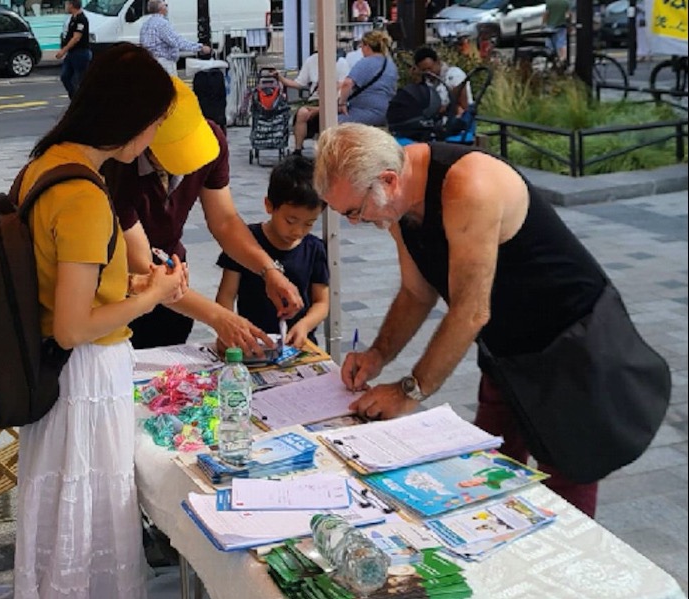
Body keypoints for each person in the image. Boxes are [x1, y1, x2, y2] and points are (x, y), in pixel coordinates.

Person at [313, 123, 618, 518]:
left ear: (387, 179)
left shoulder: (467, 186)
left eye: (354, 211)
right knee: (488, 468)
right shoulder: (397, 200)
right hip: (507, 348)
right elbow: (416, 292)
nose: (355, 222)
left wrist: (410, 391)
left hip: (570, 344)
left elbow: (471, 310)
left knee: (564, 485)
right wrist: (377, 356)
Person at [12, 43, 187, 597]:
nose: (155, 136)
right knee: (87, 517)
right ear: (130, 119)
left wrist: (130, 285)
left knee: (66, 511)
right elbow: (72, 325)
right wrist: (152, 295)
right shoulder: (83, 194)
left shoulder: (48, 161)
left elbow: (66, 284)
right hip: (82, 376)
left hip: (58, 376)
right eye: (156, 123)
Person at [101, 77, 304, 353]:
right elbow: (142, 265)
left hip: (174, 282)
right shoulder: (117, 166)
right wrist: (219, 317)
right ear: (145, 139)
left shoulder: (212, 141)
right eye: (173, 155)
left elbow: (225, 221)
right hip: (119, 294)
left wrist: (269, 270)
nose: (184, 166)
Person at [216, 155, 330, 349]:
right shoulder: (245, 243)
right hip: (252, 342)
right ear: (269, 205)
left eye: (309, 223)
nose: (298, 231)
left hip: (298, 344)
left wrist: (304, 325)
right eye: (291, 221)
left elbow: (322, 302)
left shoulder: (314, 249)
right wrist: (227, 332)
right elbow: (226, 296)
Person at [272, 52, 350, 155]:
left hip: (334, 100)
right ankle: (298, 149)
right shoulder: (311, 60)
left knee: (324, 111)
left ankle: (328, 150)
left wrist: (328, 88)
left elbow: (342, 85)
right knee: (302, 113)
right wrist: (280, 78)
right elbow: (299, 83)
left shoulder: (341, 63)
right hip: (315, 100)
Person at [337, 29, 398, 127]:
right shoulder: (391, 65)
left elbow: (347, 83)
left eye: (362, 46)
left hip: (365, 112)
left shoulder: (365, 62)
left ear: (367, 46)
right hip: (386, 112)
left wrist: (342, 104)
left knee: (330, 122)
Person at [139, 0, 210, 76]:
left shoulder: (145, 24)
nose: (167, 8)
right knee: (170, 86)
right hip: (164, 64)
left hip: (150, 62)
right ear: (161, 9)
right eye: (165, 6)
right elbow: (177, 41)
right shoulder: (162, 24)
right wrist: (200, 47)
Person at [412, 46, 472, 116]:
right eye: (424, 70)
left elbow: (462, 103)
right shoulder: (425, 82)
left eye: (430, 68)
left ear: (437, 62)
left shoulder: (454, 74)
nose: (428, 72)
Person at [56, 0, 91, 100]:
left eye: (67, 4)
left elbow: (76, 38)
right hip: (71, 53)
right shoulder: (72, 18)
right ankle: (75, 99)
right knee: (65, 77)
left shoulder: (81, 19)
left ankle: (82, 101)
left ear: (72, 5)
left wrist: (63, 50)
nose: (66, 6)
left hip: (80, 53)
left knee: (79, 80)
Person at [542, 0, 571, 64]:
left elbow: (546, 13)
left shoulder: (549, 2)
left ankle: (552, 60)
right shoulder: (565, 2)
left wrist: (543, 24)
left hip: (550, 26)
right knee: (561, 42)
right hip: (562, 26)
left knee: (550, 44)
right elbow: (568, 15)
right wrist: (569, 26)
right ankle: (562, 59)